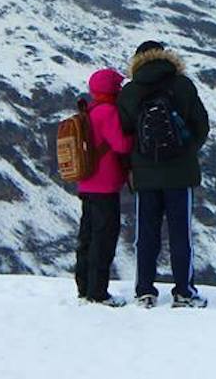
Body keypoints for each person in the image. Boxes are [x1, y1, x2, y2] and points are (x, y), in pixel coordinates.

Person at [117, 40, 210, 308]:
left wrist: (137, 161)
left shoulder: (130, 91)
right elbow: (201, 125)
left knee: (146, 235)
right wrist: (185, 151)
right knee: (181, 235)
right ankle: (184, 293)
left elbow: (125, 132)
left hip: (145, 176)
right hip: (180, 174)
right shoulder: (183, 85)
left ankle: (145, 292)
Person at [74, 67, 134, 306]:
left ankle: (84, 288)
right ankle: (98, 292)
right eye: (117, 86)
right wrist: (134, 135)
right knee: (104, 239)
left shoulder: (89, 111)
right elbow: (121, 145)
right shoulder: (108, 112)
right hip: (105, 186)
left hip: (86, 183)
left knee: (87, 238)